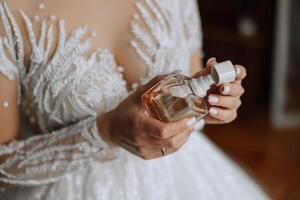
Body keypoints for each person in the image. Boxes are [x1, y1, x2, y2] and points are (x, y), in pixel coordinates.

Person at [0, 0, 269, 199]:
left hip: (178, 178)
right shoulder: (8, 11)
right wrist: (102, 132)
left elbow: (192, 86)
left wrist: (214, 104)